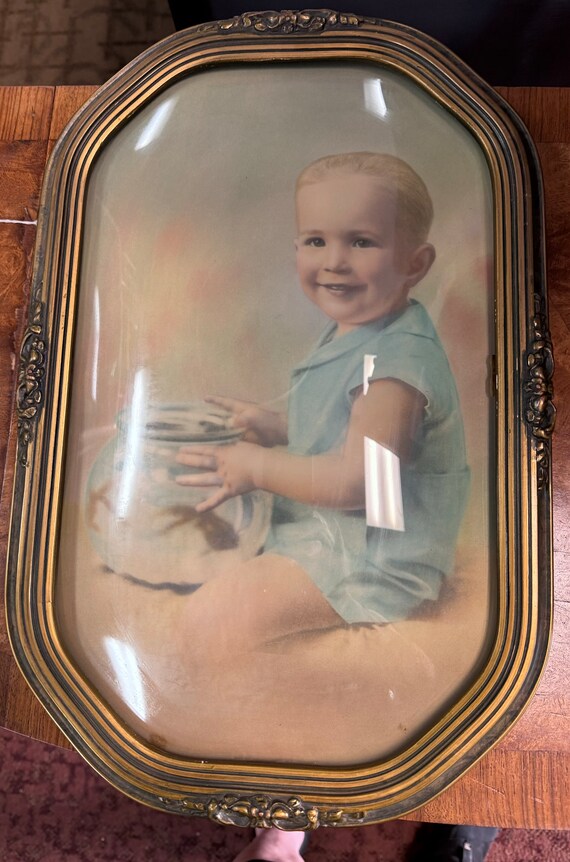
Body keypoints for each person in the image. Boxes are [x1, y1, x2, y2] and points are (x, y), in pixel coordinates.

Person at [176, 151, 470, 647]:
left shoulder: (396, 365)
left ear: (415, 264)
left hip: (375, 559)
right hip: (330, 534)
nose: (334, 260)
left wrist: (257, 465)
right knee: (200, 554)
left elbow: (361, 483)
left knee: (212, 620)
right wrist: (276, 425)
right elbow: (350, 424)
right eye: (316, 240)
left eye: (361, 241)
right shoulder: (359, 332)